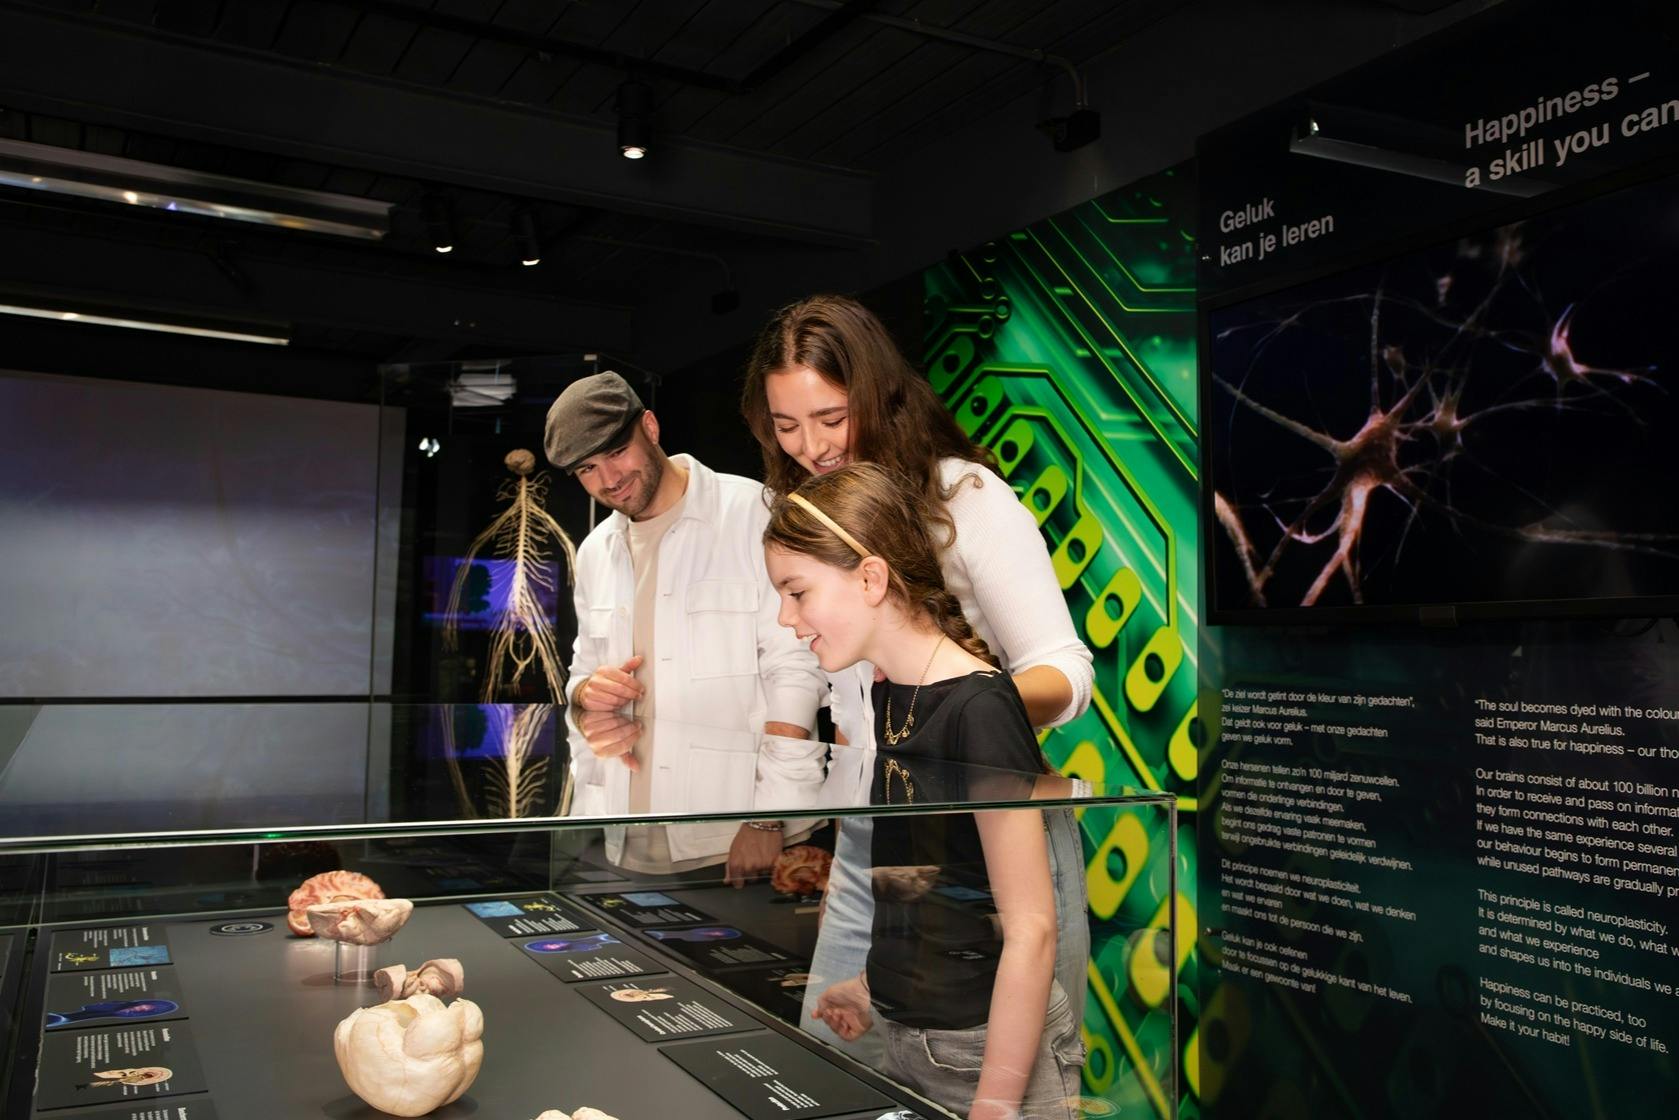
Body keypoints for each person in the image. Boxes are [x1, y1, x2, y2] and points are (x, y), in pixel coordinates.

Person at [741, 294, 1094, 1049]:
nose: (811, 446)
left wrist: (954, 721)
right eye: (786, 425)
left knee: (1010, 1066)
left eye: (831, 418)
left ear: (876, 395)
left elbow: (1066, 672)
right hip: (879, 832)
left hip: (987, 833)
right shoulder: (803, 511)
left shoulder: (964, 499)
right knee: (846, 1060)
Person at [764, 463, 1082, 1120]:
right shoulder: (888, 693)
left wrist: (996, 1102)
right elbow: (925, 883)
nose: (786, 617)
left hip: (987, 1051)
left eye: (796, 592)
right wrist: (871, 984)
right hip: (911, 1037)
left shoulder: (981, 708)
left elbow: (1031, 928)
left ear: (871, 578)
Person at [544, 372, 824, 885]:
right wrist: (590, 689)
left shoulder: (753, 513)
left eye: (616, 452)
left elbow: (798, 670)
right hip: (617, 840)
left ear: (649, 427)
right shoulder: (594, 552)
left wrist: (768, 817)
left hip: (735, 839)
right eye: (587, 468)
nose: (608, 479)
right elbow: (579, 675)